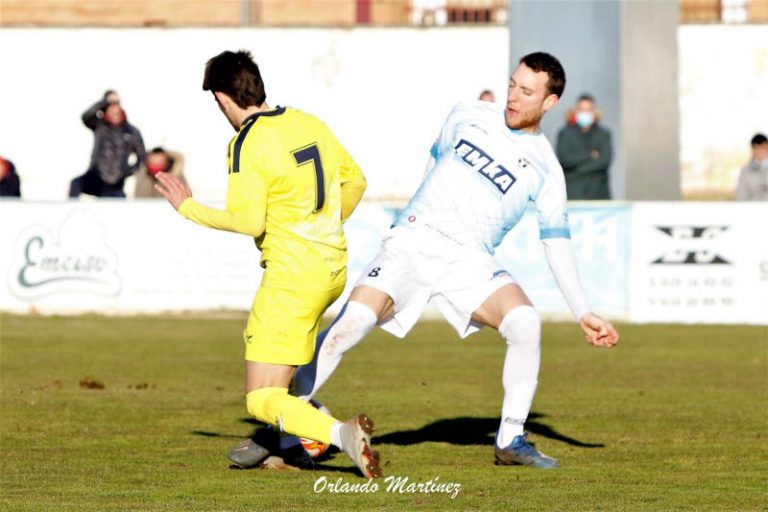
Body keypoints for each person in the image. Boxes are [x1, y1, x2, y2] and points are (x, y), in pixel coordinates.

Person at [290, 52, 620, 470]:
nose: (513, 97)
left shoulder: (547, 170)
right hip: (413, 241)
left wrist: (582, 311)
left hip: (468, 259)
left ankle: (510, 439)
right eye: (512, 85)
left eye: (527, 91)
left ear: (550, 103)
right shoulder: (467, 114)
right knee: (348, 326)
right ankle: (287, 417)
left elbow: (556, 242)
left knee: (525, 322)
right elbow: (433, 163)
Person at [153, 50, 380, 478]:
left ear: (222, 99)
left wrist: (188, 208)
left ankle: (338, 434)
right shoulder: (308, 122)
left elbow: (247, 221)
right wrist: (322, 225)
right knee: (282, 384)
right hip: (331, 270)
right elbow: (357, 181)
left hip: (292, 277)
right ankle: (286, 444)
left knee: (259, 399)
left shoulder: (246, 142)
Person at [69, 91, 146, 198]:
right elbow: (85, 117)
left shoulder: (132, 131)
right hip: (95, 177)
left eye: (117, 107)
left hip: (115, 183)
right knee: (76, 184)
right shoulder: (99, 126)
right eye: (111, 108)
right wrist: (105, 101)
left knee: (112, 207)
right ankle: (72, 210)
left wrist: (126, 171)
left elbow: (142, 157)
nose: (115, 111)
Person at [555, 93, 612, 199]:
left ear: (594, 111)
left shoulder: (603, 134)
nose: (585, 113)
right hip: (573, 194)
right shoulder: (565, 133)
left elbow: (604, 161)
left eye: (588, 109)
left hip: (598, 195)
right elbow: (565, 159)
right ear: (576, 111)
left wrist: (575, 171)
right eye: (582, 109)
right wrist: (590, 156)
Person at [736, 133, 768, 201]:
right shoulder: (745, 171)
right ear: (753, 149)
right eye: (757, 148)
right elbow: (742, 197)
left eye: (763, 147)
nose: (761, 151)